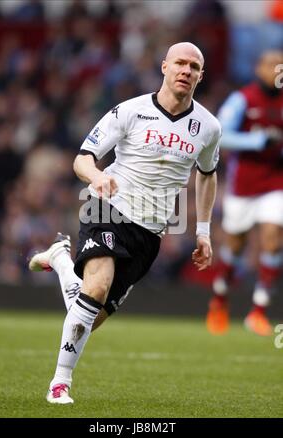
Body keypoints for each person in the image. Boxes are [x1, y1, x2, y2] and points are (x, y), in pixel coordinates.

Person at [29, 42, 221, 404]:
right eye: (179, 63)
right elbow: (83, 158)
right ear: (164, 67)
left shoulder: (208, 128)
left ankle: (60, 260)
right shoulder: (129, 111)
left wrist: (204, 232)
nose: (186, 70)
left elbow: (208, 175)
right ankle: (60, 383)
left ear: (201, 76)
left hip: (149, 233)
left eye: (194, 67)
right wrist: (96, 178)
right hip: (107, 208)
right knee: (96, 289)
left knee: (87, 315)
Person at [206, 50, 283, 337]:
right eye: (272, 65)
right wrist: (259, 140)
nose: (277, 70)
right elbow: (221, 134)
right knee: (234, 247)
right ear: (258, 68)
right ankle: (220, 298)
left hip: (276, 182)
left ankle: (258, 311)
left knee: (273, 240)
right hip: (244, 187)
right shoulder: (243, 98)